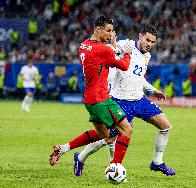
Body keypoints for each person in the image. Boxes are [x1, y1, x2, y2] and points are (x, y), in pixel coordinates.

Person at [50, 24, 176, 176]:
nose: (149, 44)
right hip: (121, 101)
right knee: (107, 138)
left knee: (165, 126)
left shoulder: (147, 56)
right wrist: (114, 45)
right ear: (140, 37)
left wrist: (153, 90)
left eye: (153, 42)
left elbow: (138, 77)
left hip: (140, 100)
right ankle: (82, 157)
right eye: (147, 40)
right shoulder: (125, 45)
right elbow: (109, 52)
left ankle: (157, 162)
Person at [50, 16, 134, 174]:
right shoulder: (104, 49)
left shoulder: (84, 45)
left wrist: (113, 47)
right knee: (127, 130)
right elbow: (123, 65)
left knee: (106, 136)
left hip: (89, 99)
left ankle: (63, 148)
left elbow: (102, 58)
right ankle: (115, 166)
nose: (110, 34)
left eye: (111, 31)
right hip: (101, 98)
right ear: (98, 29)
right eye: (108, 31)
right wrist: (127, 53)